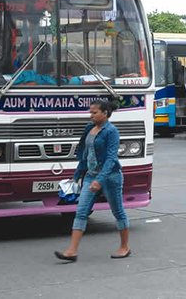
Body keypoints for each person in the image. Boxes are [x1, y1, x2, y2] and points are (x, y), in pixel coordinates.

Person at [56, 100, 131, 261]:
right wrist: (76, 176)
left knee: (117, 211)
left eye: (94, 112)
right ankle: (72, 251)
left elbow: (111, 159)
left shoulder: (111, 131)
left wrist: (100, 180)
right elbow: (85, 154)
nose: (91, 115)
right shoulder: (89, 128)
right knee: (81, 211)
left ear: (105, 113)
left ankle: (125, 247)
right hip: (90, 176)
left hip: (110, 177)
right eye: (90, 112)